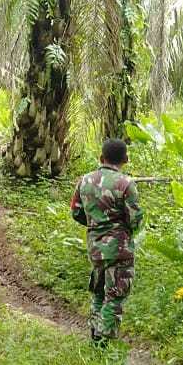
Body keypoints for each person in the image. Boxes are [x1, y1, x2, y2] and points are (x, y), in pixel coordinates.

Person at [70, 138, 145, 346]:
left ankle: (94, 331)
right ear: (126, 160)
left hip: (95, 248)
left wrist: (96, 225)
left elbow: (76, 212)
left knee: (99, 291)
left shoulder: (84, 181)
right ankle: (103, 342)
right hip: (119, 249)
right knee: (116, 294)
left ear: (101, 158)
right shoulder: (126, 184)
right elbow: (136, 219)